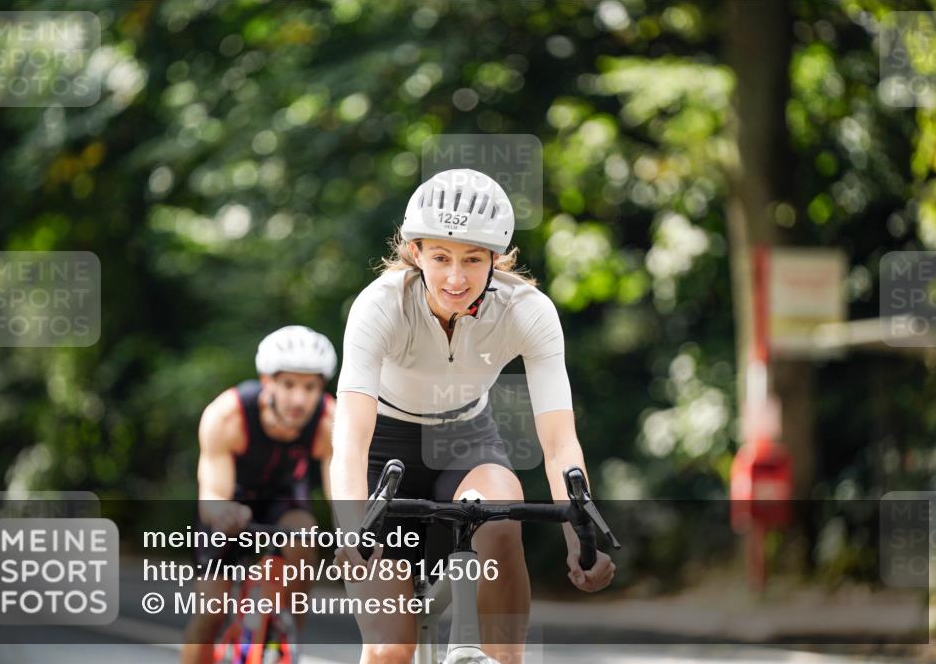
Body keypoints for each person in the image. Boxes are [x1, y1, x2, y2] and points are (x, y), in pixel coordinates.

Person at [331, 169, 616, 664]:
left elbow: (559, 444)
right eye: (441, 258)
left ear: (495, 259)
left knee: (501, 515)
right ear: (416, 252)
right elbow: (351, 440)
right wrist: (352, 529)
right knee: (388, 651)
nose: (456, 279)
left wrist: (580, 535)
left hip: (466, 439)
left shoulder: (527, 311)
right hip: (384, 451)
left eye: (473, 259)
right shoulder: (380, 306)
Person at [181, 325, 337, 664]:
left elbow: (341, 494)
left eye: (310, 387)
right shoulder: (227, 416)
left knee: (304, 536)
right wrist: (224, 514)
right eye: (289, 384)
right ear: (267, 382)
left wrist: (354, 536)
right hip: (231, 504)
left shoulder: (330, 421)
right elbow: (212, 494)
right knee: (210, 612)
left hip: (284, 498)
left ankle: (286, 637)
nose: (299, 399)